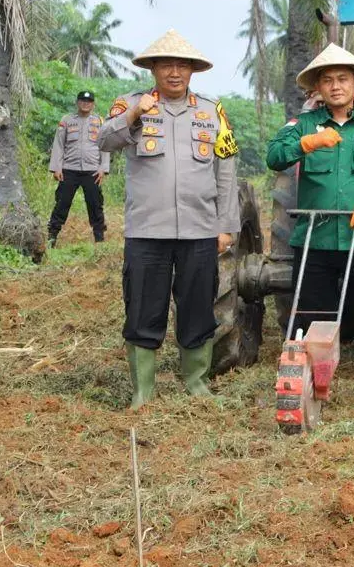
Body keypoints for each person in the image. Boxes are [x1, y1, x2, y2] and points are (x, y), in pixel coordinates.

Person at [98, 30, 239, 408]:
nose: (174, 72)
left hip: (199, 230)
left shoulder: (212, 111)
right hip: (147, 230)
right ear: (153, 69)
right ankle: (143, 391)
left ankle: (196, 381)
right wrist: (133, 114)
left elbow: (226, 170)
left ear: (193, 71)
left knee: (198, 305)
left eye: (182, 65)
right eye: (166, 65)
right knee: (144, 306)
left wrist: (226, 227)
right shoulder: (130, 103)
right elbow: (103, 141)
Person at [267, 44, 354, 412]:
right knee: (307, 318)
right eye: (327, 80)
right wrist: (306, 143)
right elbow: (274, 157)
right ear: (317, 87)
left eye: (342, 79)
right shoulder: (303, 125)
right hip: (314, 240)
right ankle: (303, 391)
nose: (335, 86)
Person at [47, 89, 110, 246]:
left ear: (93, 104)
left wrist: (103, 168)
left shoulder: (100, 122)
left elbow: (105, 146)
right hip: (69, 170)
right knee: (62, 203)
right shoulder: (67, 120)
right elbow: (59, 144)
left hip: (92, 171)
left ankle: (99, 239)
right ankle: (52, 237)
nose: (85, 104)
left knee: (95, 205)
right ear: (77, 102)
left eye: (88, 101)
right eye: (82, 101)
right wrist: (57, 168)